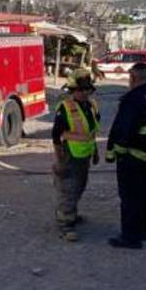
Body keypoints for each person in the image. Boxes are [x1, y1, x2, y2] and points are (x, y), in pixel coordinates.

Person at [105, 63, 146, 249]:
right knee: (144, 193)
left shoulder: (132, 99)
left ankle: (130, 237)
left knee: (130, 197)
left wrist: (115, 153)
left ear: (133, 78)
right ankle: (142, 230)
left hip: (133, 156)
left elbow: (124, 129)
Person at [51, 69, 100, 242]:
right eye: (82, 90)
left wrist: (95, 152)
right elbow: (56, 135)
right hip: (70, 155)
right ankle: (66, 225)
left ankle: (71, 214)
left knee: (80, 186)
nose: (86, 93)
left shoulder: (92, 106)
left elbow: (92, 131)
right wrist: (60, 159)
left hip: (84, 155)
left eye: (88, 90)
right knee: (68, 189)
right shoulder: (65, 108)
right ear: (73, 90)